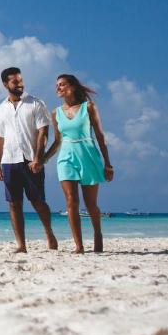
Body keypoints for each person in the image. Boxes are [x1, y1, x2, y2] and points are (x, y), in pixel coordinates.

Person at [42, 74, 114, 253]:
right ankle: (79, 245)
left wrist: (108, 164)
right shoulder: (55, 113)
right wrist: (42, 160)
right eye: (57, 85)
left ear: (72, 87)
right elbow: (57, 141)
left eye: (62, 84)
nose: (58, 88)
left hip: (88, 156)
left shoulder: (88, 107)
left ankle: (97, 234)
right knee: (71, 201)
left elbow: (100, 136)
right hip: (66, 157)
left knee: (91, 204)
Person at [0, 67, 58, 253]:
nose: (20, 84)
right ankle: (21, 245)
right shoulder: (0, 109)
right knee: (14, 203)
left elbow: (43, 133)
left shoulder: (36, 104)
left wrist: (38, 158)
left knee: (38, 201)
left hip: (31, 160)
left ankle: (49, 232)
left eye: (21, 80)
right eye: (15, 82)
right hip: (9, 160)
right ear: (6, 84)